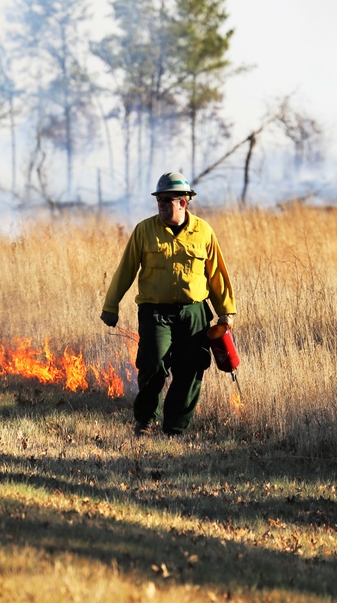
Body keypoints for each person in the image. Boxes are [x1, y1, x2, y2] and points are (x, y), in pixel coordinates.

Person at [100, 171, 236, 436]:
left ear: (183, 202)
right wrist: (110, 306)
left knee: (192, 367)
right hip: (155, 312)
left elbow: (217, 274)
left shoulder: (203, 232)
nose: (161, 204)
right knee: (153, 363)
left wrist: (226, 312)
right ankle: (146, 421)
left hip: (194, 312)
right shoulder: (144, 230)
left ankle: (175, 428)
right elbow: (125, 270)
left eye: (167, 200)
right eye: (159, 199)